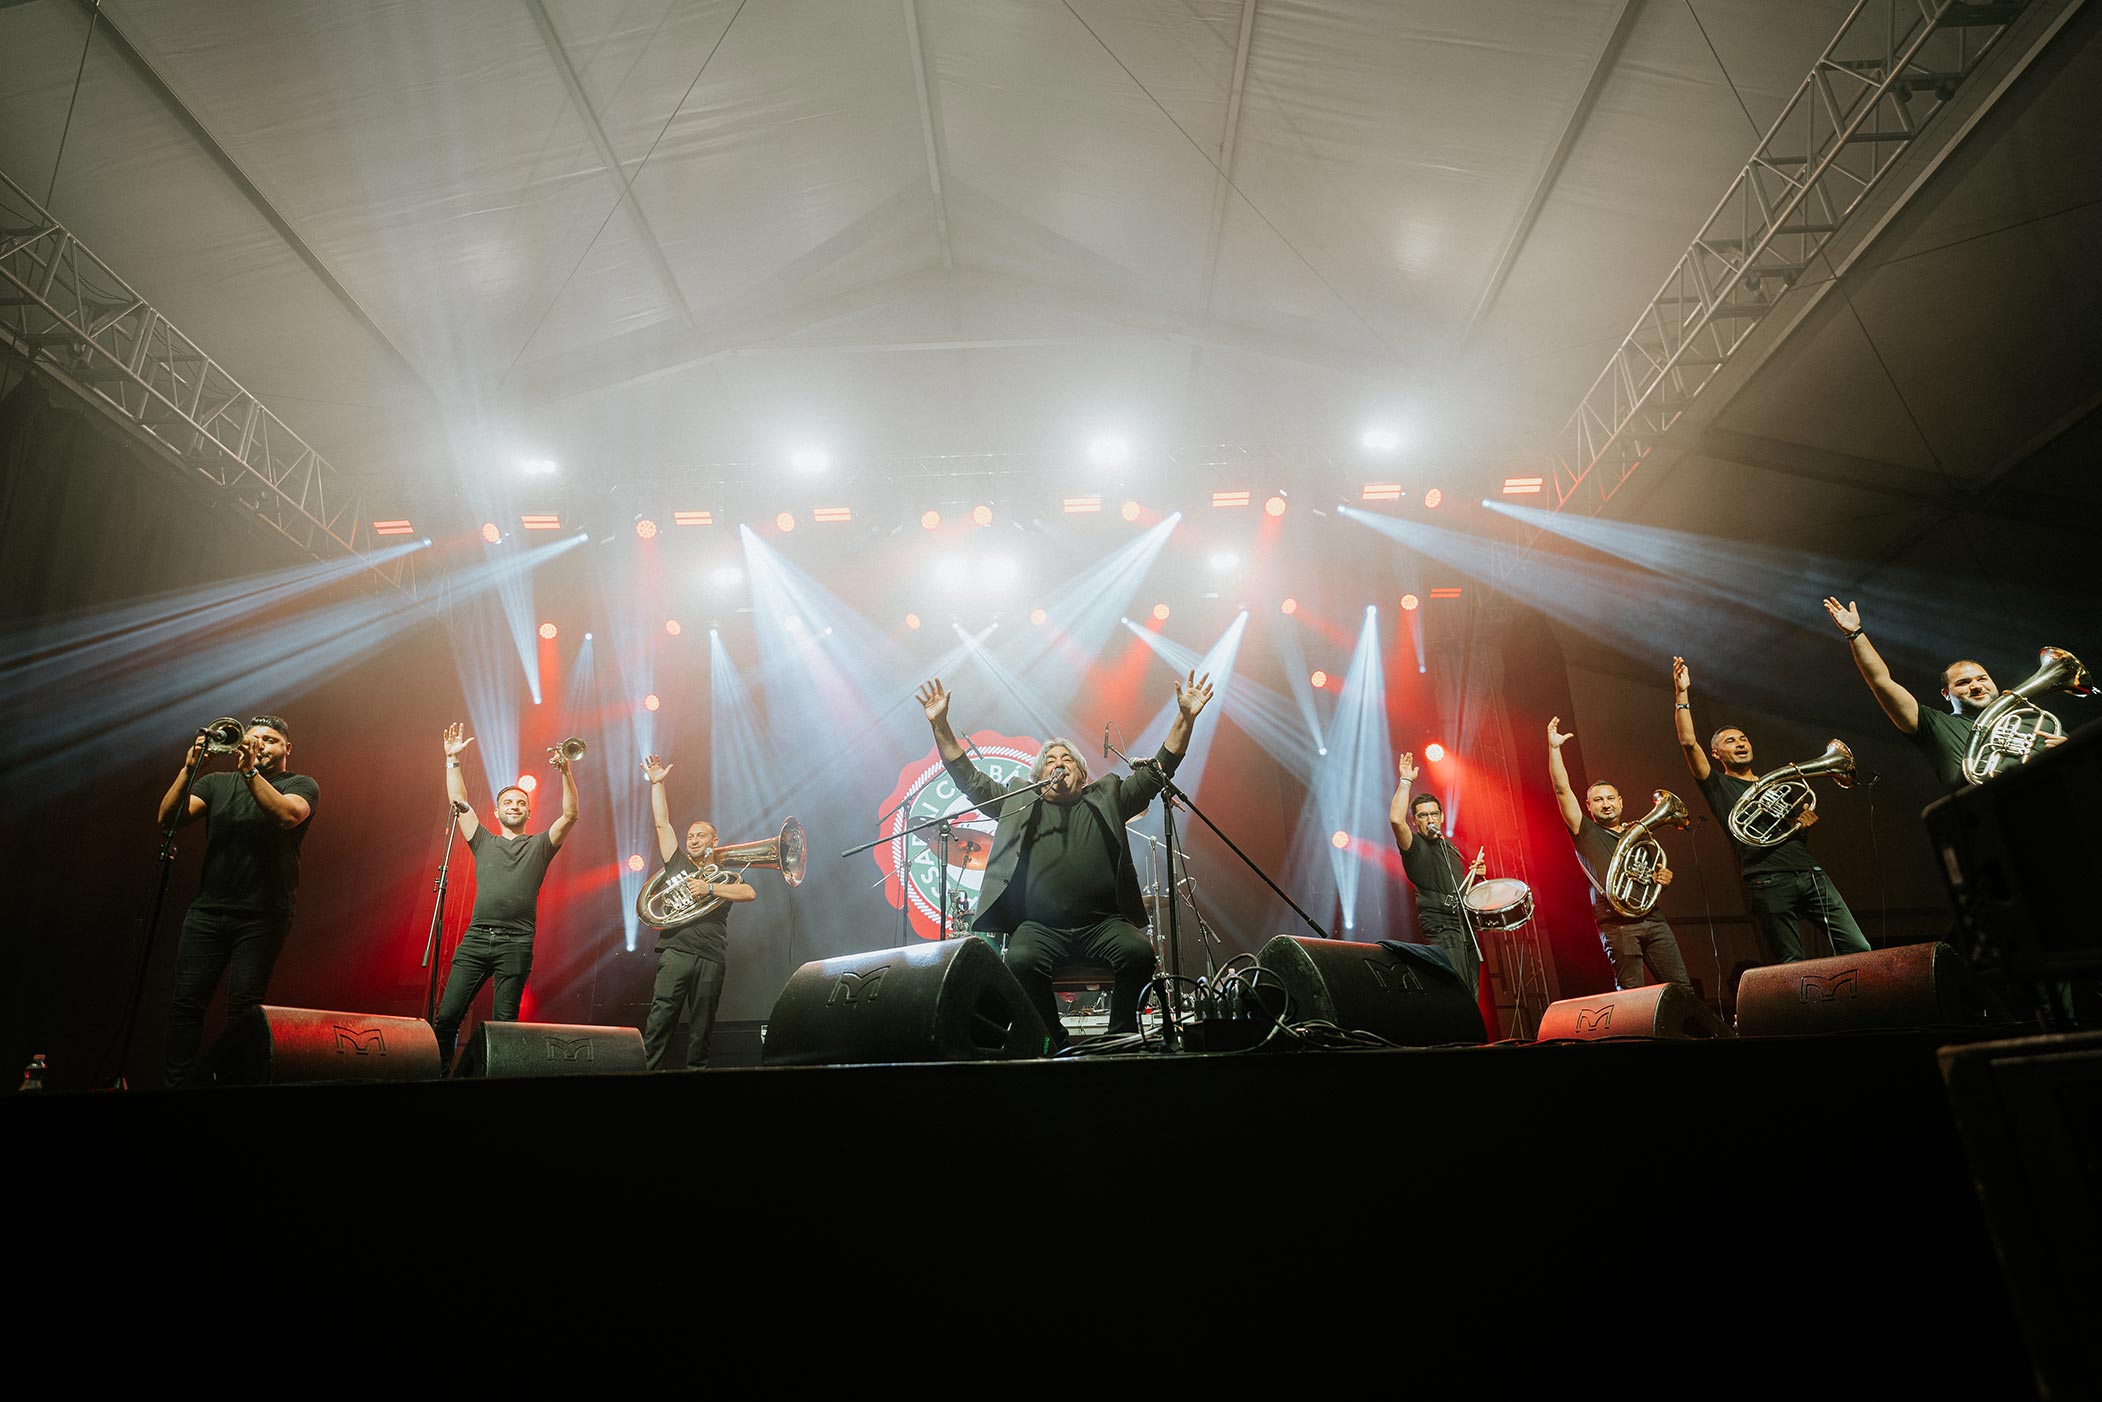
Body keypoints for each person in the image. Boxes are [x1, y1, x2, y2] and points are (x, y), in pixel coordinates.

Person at [913, 671, 1214, 1047]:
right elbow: (969, 779)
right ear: (1038, 775)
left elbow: (1157, 772)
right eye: (1051, 760)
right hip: (1040, 928)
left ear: (1082, 774)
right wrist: (940, 725)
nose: (1059, 763)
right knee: (1019, 961)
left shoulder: (1107, 797)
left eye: (1067, 759)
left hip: (1102, 925)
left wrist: (1185, 718)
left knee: (1139, 953)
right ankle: (1053, 1040)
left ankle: (1120, 1036)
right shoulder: (1019, 801)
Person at [1671, 656, 1869, 964]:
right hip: (1767, 880)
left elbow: (1789, 828)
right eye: (1730, 741)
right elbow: (1687, 742)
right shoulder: (1717, 784)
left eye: (1743, 739)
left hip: (1809, 872)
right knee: (1791, 965)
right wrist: (1682, 693)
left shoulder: (1777, 783)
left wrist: (1802, 823)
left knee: (1858, 948)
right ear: (1716, 753)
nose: (1740, 744)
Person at [156, 714, 318, 1086]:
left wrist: (249, 773)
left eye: (270, 740)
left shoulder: (300, 784)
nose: (259, 744)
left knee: (243, 1010)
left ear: (287, 748)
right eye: (253, 738)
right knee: (186, 1004)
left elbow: (287, 816)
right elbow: (168, 819)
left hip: (263, 916)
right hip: (208, 911)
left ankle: (234, 1089)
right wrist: (189, 769)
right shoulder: (215, 783)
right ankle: (176, 1088)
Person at [431, 722, 577, 1073]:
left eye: (520, 803)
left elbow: (570, 815)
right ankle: (438, 1075)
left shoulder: (540, 845)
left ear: (529, 812)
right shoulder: (483, 840)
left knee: (504, 1027)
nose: (514, 806)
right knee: (446, 1017)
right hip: (476, 939)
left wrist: (565, 772)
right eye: (507, 802)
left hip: (516, 943)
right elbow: (458, 803)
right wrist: (452, 760)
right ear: (496, 812)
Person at [1821, 597, 2063, 793]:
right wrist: (1855, 633)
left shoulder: (2032, 720)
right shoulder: (1934, 724)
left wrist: (2069, 750)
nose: (1976, 686)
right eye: (1964, 683)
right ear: (1946, 694)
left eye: (1982, 679)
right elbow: (1881, 682)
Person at [1546, 716, 1691, 992]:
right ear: (1588, 806)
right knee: (1632, 996)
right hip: (1616, 923)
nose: (1606, 804)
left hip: (1653, 918)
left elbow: (1650, 875)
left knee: (1682, 989)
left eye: (1611, 798)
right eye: (1598, 800)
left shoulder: (1639, 833)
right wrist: (1554, 749)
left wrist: (1662, 878)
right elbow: (1561, 789)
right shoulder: (1583, 830)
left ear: (1620, 802)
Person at [638, 752, 755, 1070]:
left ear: (714, 840)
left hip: (711, 956)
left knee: (701, 1031)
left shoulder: (724, 874)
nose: (692, 839)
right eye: (690, 836)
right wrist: (657, 784)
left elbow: (749, 893)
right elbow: (661, 823)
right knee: (658, 1024)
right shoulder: (677, 863)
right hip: (676, 952)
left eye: (700, 835)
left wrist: (710, 888)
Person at [1387, 755, 1486, 996]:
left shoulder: (1448, 847)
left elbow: (1457, 888)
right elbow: (1396, 821)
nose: (1430, 819)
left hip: (1464, 927)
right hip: (1442, 928)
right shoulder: (1415, 846)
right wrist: (1405, 781)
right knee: (1458, 992)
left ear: (1441, 817)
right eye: (1423, 815)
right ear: (1415, 821)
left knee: (1471, 994)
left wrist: (1476, 877)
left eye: (1434, 814)